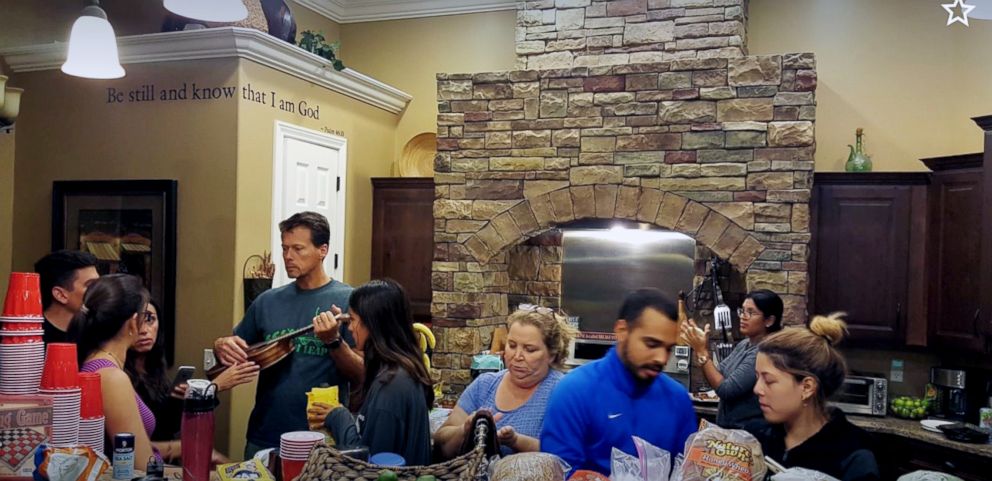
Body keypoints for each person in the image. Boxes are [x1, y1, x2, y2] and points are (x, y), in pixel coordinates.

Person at [212, 211, 364, 457]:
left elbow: (361, 374)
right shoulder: (267, 301)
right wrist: (221, 345)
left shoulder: (348, 300)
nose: (288, 256)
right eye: (284, 249)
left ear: (322, 249)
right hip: (265, 435)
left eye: (298, 249)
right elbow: (233, 353)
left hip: (324, 438)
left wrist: (334, 341)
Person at [541, 288, 697, 476]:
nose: (662, 358)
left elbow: (688, 472)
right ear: (622, 330)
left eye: (669, 348)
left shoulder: (678, 399)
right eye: (651, 344)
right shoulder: (574, 392)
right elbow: (559, 473)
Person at [308, 279, 433, 466]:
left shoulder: (391, 386)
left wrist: (338, 416)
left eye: (353, 320)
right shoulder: (402, 371)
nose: (349, 328)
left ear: (373, 324)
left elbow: (369, 463)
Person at [125, 299, 258, 462]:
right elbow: (134, 442)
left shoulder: (154, 369)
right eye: (136, 321)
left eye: (150, 319)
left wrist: (184, 398)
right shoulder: (120, 375)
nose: (144, 330)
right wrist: (214, 386)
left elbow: (167, 424)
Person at [433, 305, 576, 457]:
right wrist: (464, 430)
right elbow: (441, 445)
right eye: (512, 345)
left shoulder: (562, 392)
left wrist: (516, 441)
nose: (517, 356)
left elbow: (565, 455)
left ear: (552, 354)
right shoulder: (484, 384)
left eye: (530, 349)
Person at [752, 313, 880, 481]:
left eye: (768, 381)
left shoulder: (855, 456)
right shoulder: (757, 438)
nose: (756, 389)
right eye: (756, 377)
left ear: (807, 387)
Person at [72, 274, 160, 469]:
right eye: (145, 317)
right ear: (133, 322)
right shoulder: (111, 377)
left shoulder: (97, 363)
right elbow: (141, 466)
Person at [682, 289, 783, 431]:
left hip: (750, 433)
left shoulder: (764, 351)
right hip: (730, 429)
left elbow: (726, 390)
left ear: (769, 320)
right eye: (742, 310)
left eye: (751, 312)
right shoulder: (744, 344)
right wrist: (702, 349)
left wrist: (702, 352)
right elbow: (716, 375)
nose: (743, 316)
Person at [34, 250, 99, 343]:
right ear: (60, 295)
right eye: (91, 285)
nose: (100, 290)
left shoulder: (99, 333)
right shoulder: (30, 336)